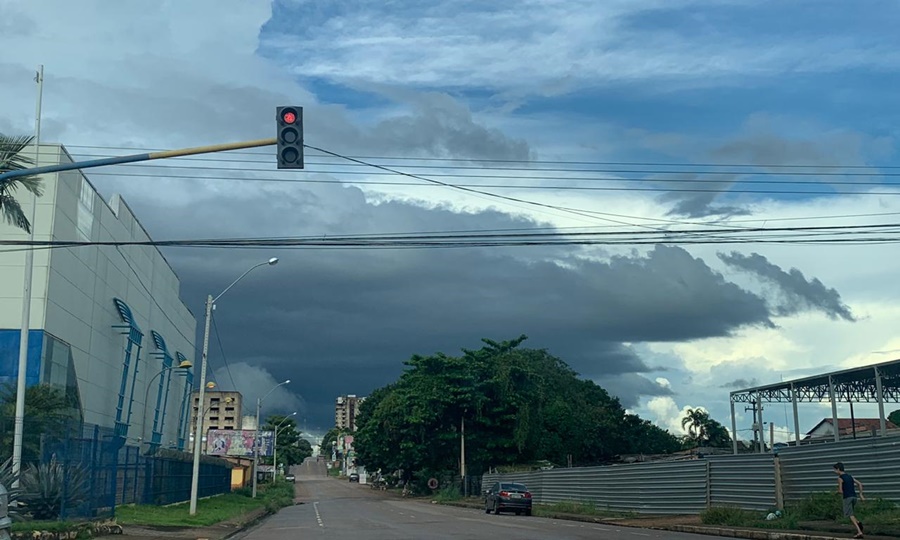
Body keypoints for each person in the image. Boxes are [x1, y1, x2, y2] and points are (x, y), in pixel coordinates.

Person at [833, 462, 865, 538]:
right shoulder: (850, 476)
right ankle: (858, 523)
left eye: (834, 470)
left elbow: (841, 491)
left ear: (838, 469)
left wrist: (836, 492)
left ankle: (859, 532)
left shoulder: (840, 478)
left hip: (847, 498)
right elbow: (860, 484)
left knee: (850, 515)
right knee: (851, 514)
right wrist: (861, 494)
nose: (834, 471)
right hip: (854, 497)